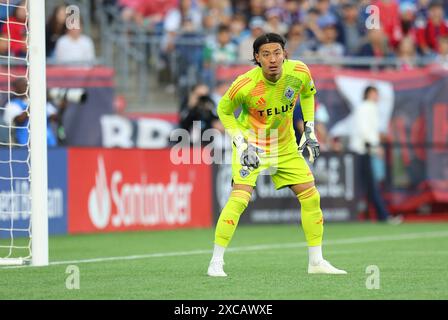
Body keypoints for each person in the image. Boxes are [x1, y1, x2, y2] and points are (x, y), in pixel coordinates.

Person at [207, 32, 347, 277]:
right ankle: (216, 262)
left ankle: (316, 262)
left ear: (285, 54)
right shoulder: (245, 84)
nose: (272, 59)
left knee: (312, 197)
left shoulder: (299, 72)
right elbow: (224, 110)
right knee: (239, 199)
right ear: (256, 58)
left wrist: (310, 130)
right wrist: (241, 144)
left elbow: (308, 94)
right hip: (253, 144)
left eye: (277, 53)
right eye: (266, 54)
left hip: (285, 146)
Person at [348, 86, 400, 223]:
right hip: (361, 151)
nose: (377, 97)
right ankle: (382, 216)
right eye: (375, 94)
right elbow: (364, 129)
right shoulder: (366, 107)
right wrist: (375, 146)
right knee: (367, 185)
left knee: (369, 186)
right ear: (369, 94)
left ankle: (379, 215)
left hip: (364, 150)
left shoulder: (368, 108)